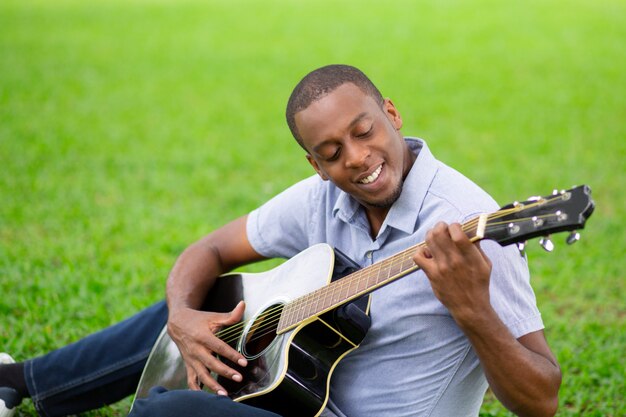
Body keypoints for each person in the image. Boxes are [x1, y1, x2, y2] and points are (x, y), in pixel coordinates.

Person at [0, 64, 561, 417]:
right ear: (314, 163)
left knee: (170, 414)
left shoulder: (471, 224)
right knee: (209, 308)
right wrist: (182, 318)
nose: (358, 158)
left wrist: (472, 311)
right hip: (296, 396)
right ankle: (19, 381)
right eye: (333, 151)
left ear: (390, 113)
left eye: (364, 132)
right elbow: (209, 252)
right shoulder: (321, 197)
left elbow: (542, 399)